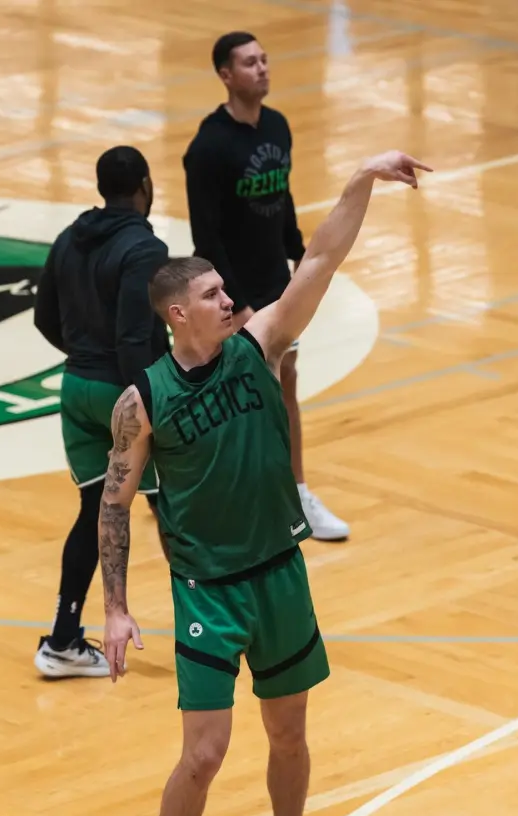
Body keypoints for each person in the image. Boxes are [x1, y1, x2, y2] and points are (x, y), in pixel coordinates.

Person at [98, 148, 431, 816]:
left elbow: (319, 258)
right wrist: (114, 606)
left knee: (290, 737)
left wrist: (359, 181)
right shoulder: (142, 400)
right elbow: (113, 502)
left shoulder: (260, 343)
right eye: (212, 294)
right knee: (204, 755)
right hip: (209, 588)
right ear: (179, 314)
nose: (230, 298)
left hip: (280, 571)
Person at [182, 30, 349, 542]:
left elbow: (283, 200)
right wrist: (238, 304)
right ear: (225, 75)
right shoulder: (208, 148)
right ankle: (211, 493)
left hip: (277, 282)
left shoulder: (276, 126)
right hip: (236, 294)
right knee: (234, 397)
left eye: (264, 60)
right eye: (250, 63)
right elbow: (206, 234)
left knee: (284, 387)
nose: (262, 69)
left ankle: (295, 492)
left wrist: (299, 254)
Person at [32, 145, 170, 679]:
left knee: (95, 510)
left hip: (77, 387)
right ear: (143, 185)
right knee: (171, 506)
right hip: (124, 394)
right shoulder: (143, 247)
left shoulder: (70, 237)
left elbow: (45, 317)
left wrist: (83, 355)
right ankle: (208, 629)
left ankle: (64, 639)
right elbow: (136, 339)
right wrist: (154, 401)